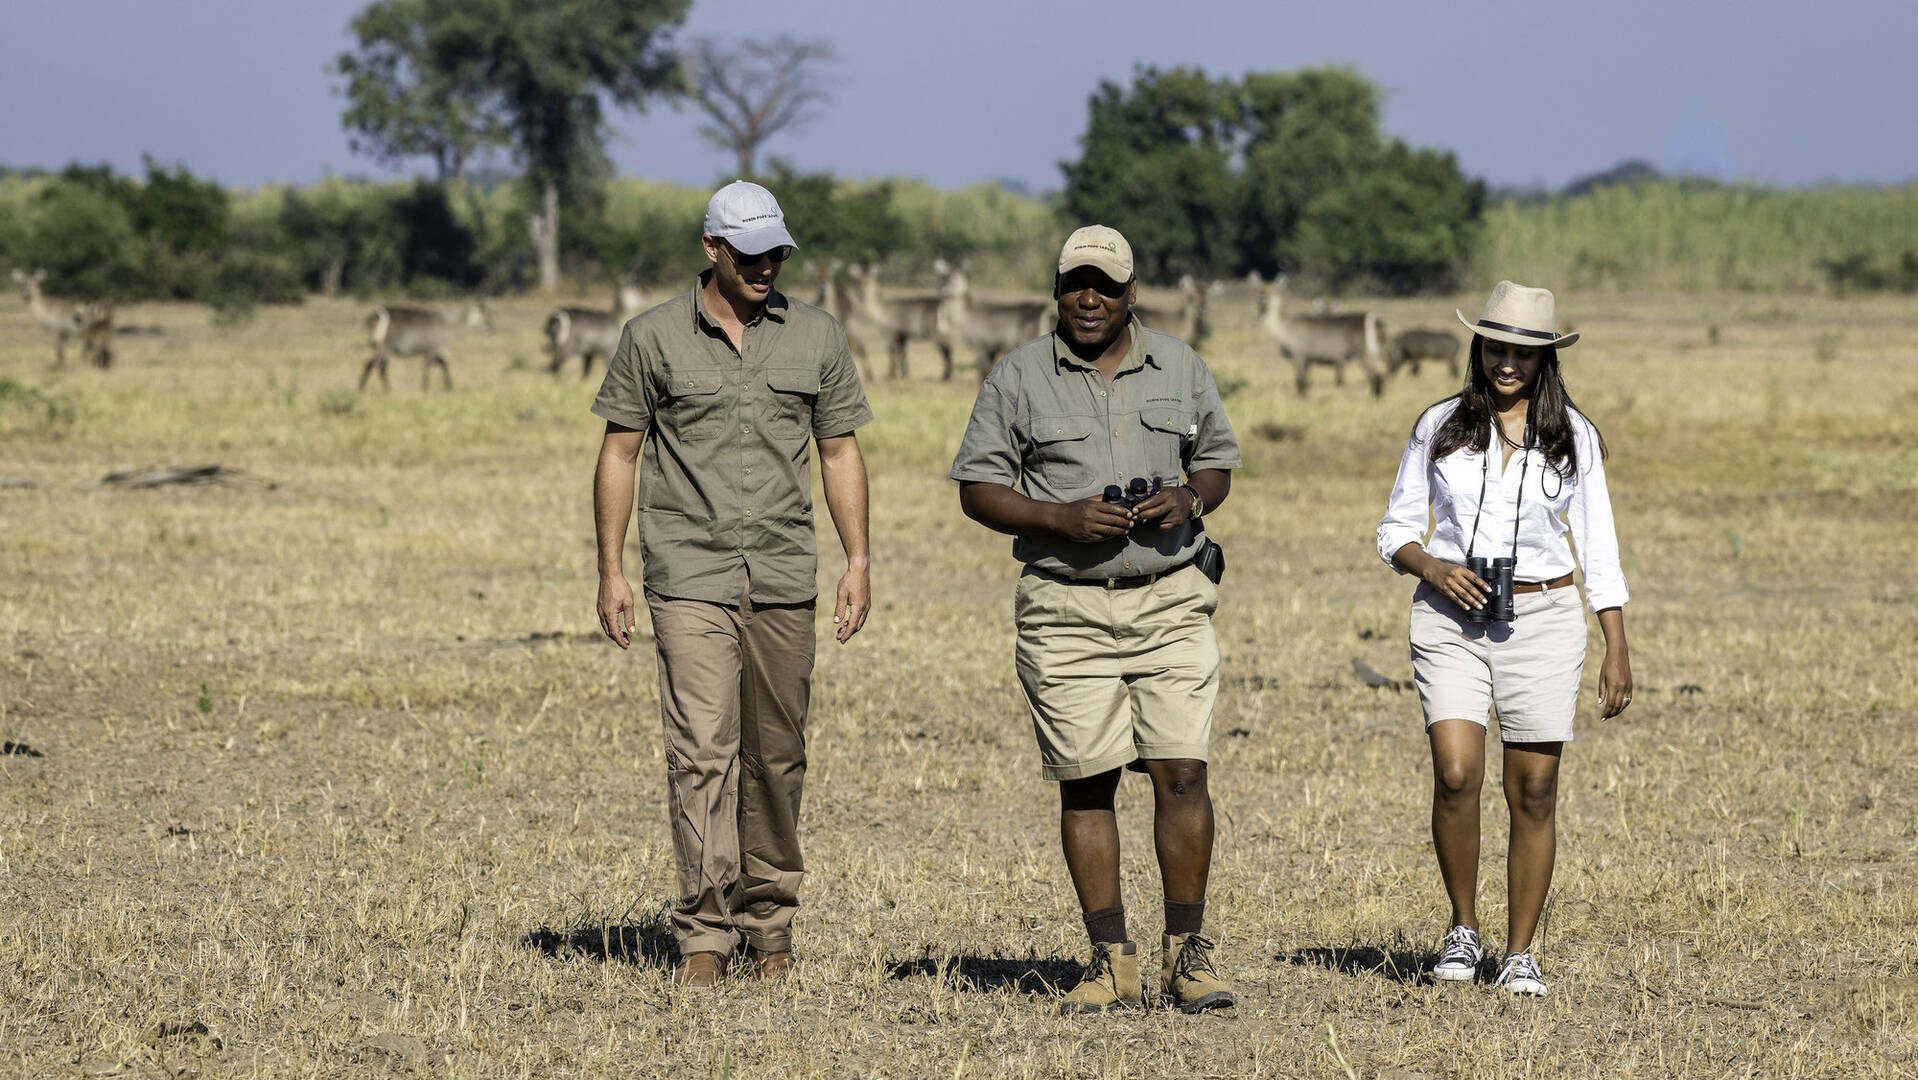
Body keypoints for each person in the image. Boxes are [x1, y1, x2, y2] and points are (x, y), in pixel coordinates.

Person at [950, 225, 1241, 1014]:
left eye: (1106, 285)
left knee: (1182, 771)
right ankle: (1110, 958)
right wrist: (1059, 518)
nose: (1091, 298)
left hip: (1172, 596)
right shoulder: (1016, 378)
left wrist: (1188, 497)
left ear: (1131, 292)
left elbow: (1215, 462)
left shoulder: (1180, 365)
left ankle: (1188, 954)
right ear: (1056, 289)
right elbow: (978, 488)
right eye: (1077, 282)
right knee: (1087, 781)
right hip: (1064, 606)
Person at [591, 180, 873, 988]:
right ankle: (705, 937)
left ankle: (771, 927)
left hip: (784, 570)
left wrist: (857, 559)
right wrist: (611, 569)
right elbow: (620, 452)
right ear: (711, 249)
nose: (766, 267)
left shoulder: (816, 334)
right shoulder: (650, 337)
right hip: (688, 573)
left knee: (777, 756)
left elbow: (840, 451)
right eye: (751, 254)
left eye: (778, 252)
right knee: (702, 752)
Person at [1376, 280, 1633, 998]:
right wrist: (1431, 564)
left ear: (1545, 358)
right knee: (1457, 772)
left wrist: (1616, 643)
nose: (1507, 363)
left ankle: (1519, 954)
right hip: (1449, 618)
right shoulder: (1441, 424)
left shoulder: (1574, 437)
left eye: (1523, 351)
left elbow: (1599, 547)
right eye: (1496, 347)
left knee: (1537, 788)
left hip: (1544, 621)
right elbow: (1394, 528)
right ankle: (1463, 928)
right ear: (1479, 347)